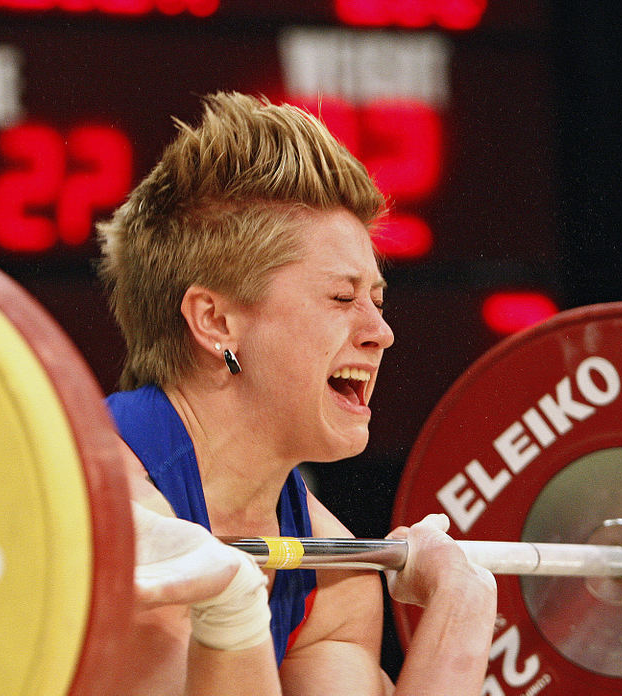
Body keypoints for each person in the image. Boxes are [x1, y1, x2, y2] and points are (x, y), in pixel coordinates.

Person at [97, 92, 497, 695]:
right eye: (342, 298)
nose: (380, 332)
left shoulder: (331, 571)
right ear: (216, 322)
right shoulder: (98, 495)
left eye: (378, 301)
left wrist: (462, 601)